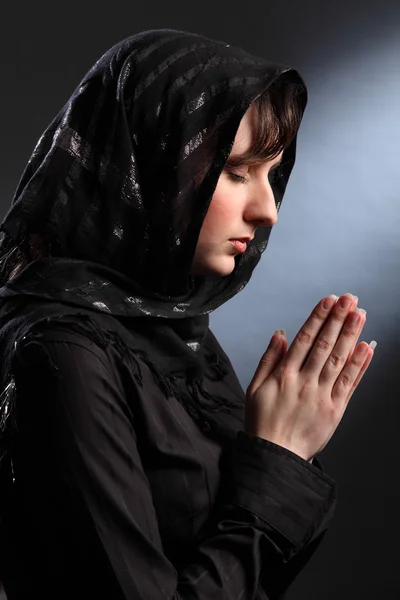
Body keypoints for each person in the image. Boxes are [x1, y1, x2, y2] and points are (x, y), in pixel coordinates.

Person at [0, 29, 375, 599]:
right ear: (150, 162)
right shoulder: (64, 354)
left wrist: (280, 449)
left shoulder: (167, 334)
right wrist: (279, 458)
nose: (269, 209)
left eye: (271, 175)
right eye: (236, 171)